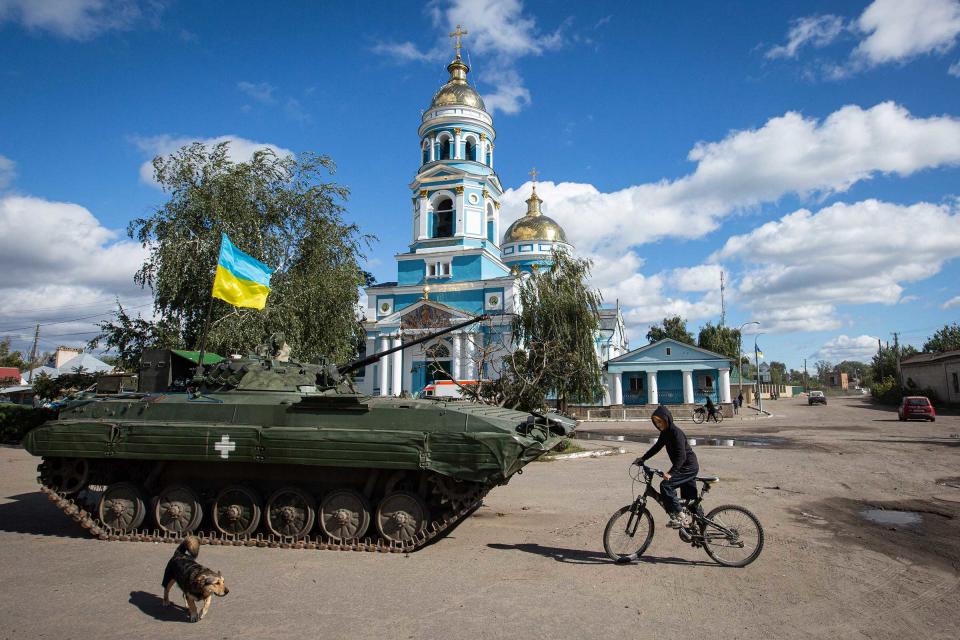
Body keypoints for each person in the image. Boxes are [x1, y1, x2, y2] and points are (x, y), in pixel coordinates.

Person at [637, 405, 700, 528]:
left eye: (660, 422)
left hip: (688, 467)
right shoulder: (665, 434)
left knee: (666, 485)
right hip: (682, 467)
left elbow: (682, 457)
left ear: (667, 419)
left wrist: (671, 473)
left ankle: (681, 517)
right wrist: (643, 458)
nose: (658, 425)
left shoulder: (676, 433)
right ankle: (701, 532)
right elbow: (656, 448)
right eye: (656, 423)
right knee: (691, 502)